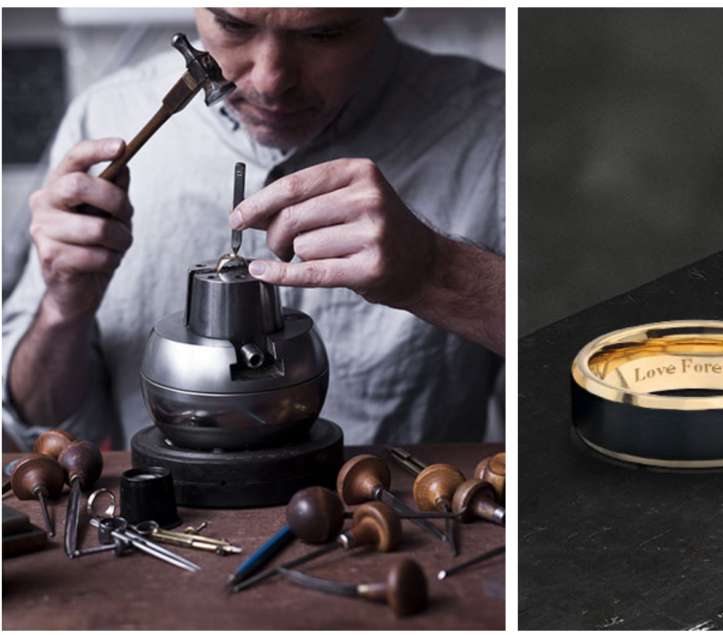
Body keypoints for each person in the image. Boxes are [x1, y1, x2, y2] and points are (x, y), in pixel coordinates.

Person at [2, 8, 505, 450]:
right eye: (232, 25)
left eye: (323, 34)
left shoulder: (497, 128)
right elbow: (39, 427)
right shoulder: (103, 116)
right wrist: (63, 309)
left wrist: (434, 271)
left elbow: (564, 365)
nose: (269, 81)